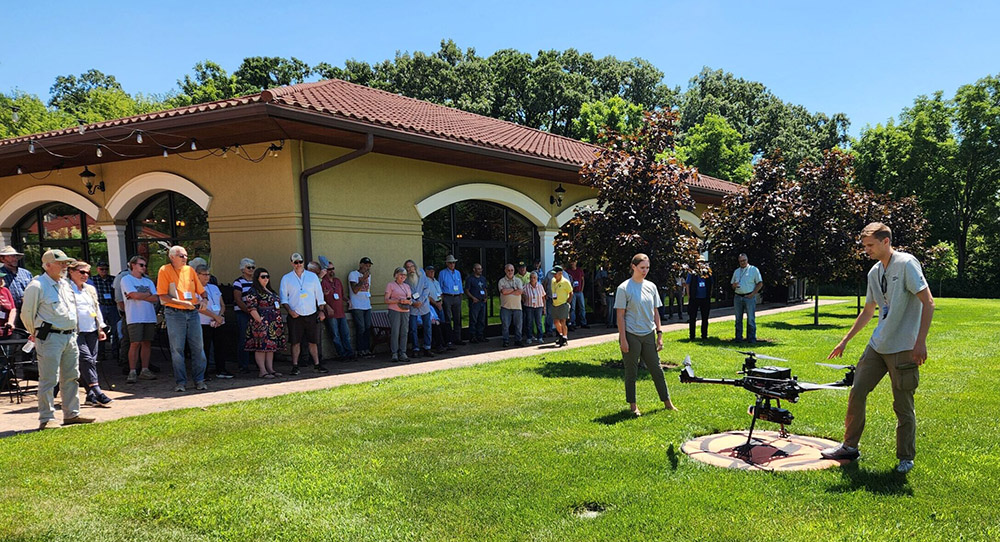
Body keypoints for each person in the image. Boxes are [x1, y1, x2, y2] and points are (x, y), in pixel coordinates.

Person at [821, 222, 935, 474]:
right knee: (857, 392)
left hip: (903, 347)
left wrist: (920, 342)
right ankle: (849, 446)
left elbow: (928, 302)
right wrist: (845, 340)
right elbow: (869, 310)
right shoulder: (874, 272)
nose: (866, 250)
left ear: (886, 242)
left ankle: (906, 457)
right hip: (878, 345)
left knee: (902, 405)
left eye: (870, 245)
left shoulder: (906, 264)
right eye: (864, 246)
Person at [20, 249, 94, 430]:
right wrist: (36, 333)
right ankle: (47, 418)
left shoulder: (66, 284)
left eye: (65, 263)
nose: (64, 266)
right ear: (47, 265)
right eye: (60, 263)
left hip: (69, 336)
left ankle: (71, 414)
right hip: (50, 337)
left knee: (71, 377)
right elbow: (26, 314)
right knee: (49, 379)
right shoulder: (37, 286)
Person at [615, 253, 678, 416]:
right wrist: (623, 339)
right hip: (631, 335)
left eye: (647, 268)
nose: (645, 271)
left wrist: (659, 334)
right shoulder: (624, 288)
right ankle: (633, 406)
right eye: (642, 268)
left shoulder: (651, 286)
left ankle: (668, 403)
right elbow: (620, 316)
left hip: (648, 333)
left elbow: (655, 312)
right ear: (633, 267)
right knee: (631, 372)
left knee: (657, 370)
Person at [157, 245, 209, 392]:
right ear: (172, 257)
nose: (185, 258)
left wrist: (204, 300)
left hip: (192, 313)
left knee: (198, 348)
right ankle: (181, 382)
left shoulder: (190, 270)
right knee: (177, 349)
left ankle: (199, 380)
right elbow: (162, 295)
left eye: (186, 255)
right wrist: (181, 302)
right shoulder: (164, 270)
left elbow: (202, 291)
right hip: (174, 313)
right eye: (181, 256)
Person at [67, 261, 112, 408]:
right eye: (81, 272)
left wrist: (100, 328)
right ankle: (98, 392)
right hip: (75, 331)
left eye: (87, 272)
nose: (85, 275)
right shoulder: (66, 288)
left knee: (91, 361)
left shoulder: (90, 289)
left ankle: (90, 395)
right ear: (71, 271)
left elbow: (95, 308)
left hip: (92, 329)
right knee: (86, 360)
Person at [279, 252, 328, 375]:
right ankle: (295, 366)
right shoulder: (286, 278)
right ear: (291, 263)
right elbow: (283, 298)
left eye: (300, 262)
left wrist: (321, 311)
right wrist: (290, 311)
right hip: (296, 315)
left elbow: (319, 296)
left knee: (313, 341)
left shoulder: (312, 277)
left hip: (311, 313)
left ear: (303, 262)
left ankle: (317, 364)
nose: (298, 264)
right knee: (295, 342)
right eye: (295, 262)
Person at [120, 255, 158, 383]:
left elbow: (156, 298)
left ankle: (145, 370)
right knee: (134, 343)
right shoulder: (126, 279)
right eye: (141, 265)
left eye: (145, 265)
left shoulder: (148, 281)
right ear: (133, 265)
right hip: (134, 317)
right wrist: (146, 295)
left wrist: (139, 296)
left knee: (147, 343)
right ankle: (132, 371)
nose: (144, 267)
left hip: (149, 316)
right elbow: (133, 294)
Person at [243, 267, 286, 378]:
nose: (266, 279)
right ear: (257, 278)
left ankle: (270, 369)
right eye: (263, 277)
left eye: (267, 276)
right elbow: (251, 307)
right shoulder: (253, 291)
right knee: (261, 347)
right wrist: (259, 320)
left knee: (270, 347)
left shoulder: (270, 290)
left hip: (273, 322)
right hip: (261, 323)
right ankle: (262, 370)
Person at [197, 264, 233, 380]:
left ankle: (221, 369)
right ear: (197, 275)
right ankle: (204, 372)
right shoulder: (195, 288)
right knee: (205, 348)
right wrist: (214, 316)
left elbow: (222, 304)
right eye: (204, 275)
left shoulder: (214, 288)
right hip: (204, 322)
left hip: (219, 321)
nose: (207, 277)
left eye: (208, 274)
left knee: (220, 347)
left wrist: (220, 316)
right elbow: (199, 307)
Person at [320, 258, 354, 360]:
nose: (331, 271)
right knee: (335, 335)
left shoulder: (337, 281)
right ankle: (342, 354)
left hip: (341, 312)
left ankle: (349, 353)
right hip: (330, 314)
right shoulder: (322, 282)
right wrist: (327, 306)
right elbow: (319, 297)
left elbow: (342, 295)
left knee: (346, 334)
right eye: (329, 269)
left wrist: (348, 301)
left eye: (333, 269)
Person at [88, 261, 118, 360]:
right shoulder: (93, 280)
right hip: (101, 306)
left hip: (112, 306)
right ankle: (101, 353)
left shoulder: (113, 279)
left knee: (115, 330)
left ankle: (116, 352)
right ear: (97, 269)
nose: (104, 271)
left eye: (106, 269)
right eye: (102, 269)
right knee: (100, 330)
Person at [731, 253, 763, 343]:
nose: (743, 262)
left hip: (749, 297)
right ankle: (738, 338)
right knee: (738, 319)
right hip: (738, 297)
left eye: (744, 260)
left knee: (751, 319)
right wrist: (734, 285)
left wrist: (753, 294)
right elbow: (732, 285)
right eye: (741, 261)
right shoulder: (736, 271)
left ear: (747, 260)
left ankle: (751, 338)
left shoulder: (753, 270)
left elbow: (760, 283)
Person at [405, 260, 434, 358]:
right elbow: (405, 292)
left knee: (428, 327)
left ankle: (427, 347)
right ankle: (415, 348)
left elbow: (426, 288)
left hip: (424, 304)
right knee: (413, 328)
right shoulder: (405, 279)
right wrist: (413, 302)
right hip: (413, 306)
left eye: (411, 266)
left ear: (415, 266)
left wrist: (420, 301)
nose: (410, 269)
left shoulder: (422, 275)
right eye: (408, 267)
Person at [231, 258, 256, 373]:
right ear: (242, 269)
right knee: (244, 337)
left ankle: (256, 363)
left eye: (252, 267)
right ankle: (243, 364)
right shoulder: (238, 282)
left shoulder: (256, 281)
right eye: (248, 267)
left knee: (256, 337)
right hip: (243, 313)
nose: (251, 269)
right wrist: (248, 310)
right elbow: (238, 299)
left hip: (255, 313)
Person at [348, 257, 375, 358]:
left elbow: (367, 290)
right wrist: (363, 279)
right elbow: (355, 290)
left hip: (366, 304)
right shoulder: (353, 274)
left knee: (367, 327)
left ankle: (366, 349)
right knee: (361, 328)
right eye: (365, 265)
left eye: (369, 266)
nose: (367, 268)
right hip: (357, 305)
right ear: (360, 265)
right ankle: (360, 350)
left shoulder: (369, 276)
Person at [384, 266, 412, 362]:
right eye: (401, 274)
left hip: (405, 311)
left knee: (404, 332)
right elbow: (386, 300)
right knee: (395, 332)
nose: (403, 276)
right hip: (394, 310)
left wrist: (408, 302)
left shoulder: (407, 286)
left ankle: (403, 352)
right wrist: (398, 300)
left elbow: (410, 299)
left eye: (404, 275)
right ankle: (394, 353)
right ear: (396, 275)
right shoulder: (390, 285)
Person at [439, 254, 465, 347]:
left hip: (457, 297)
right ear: (447, 264)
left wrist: (460, 295)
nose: (452, 264)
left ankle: (458, 338)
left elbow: (460, 285)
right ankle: (449, 340)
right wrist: (441, 298)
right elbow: (440, 286)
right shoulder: (442, 273)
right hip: (447, 296)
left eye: (453, 263)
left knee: (457, 319)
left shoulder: (458, 273)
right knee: (448, 318)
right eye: (450, 263)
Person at [0, 245, 34, 312]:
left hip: (28, 310)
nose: (15, 259)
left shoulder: (26, 273)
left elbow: (33, 290)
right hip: (8, 313)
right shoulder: (0, 274)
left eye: (15, 256)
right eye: (11, 256)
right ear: (2, 259)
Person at [498, 263, 524, 347]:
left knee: (518, 325)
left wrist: (508, 290)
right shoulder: (501, 281)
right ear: (505, 271)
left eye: (512, 270)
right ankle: (506, 341)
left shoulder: (518, 280)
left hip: (517, 307)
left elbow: (520, 292)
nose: (510, 272)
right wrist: (513, 289)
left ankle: (518, 340)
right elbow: (503, 292)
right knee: (505, 325)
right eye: (508, 270)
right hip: (506, 307)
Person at [424, 265, 448, 354]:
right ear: (426, 272)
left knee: (442, 323)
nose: (431, 272)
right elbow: (427, 295)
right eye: (429, 271)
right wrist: (435, 303)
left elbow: (440, 293)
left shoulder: (436, 282)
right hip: (431, 306)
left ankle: (444, 343)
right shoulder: (425, 282)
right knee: (434, 325)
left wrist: (440, 302)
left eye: (433, 271)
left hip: (439, 304)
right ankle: (436, 345)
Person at [686, 265, 714, 341]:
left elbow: (711, 284)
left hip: (705, 298)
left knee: (705, 318)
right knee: (692, 318)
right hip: (694, 298)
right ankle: (692, 336)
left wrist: (709, 295)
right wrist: (689, 296)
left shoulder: (708, 272)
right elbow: (687, 284)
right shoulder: (692, 272)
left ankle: (704, 335)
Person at [550, 265, 573, 347]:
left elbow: (571, 293)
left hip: (563, 304)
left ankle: (564, 337)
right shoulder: (553, 281)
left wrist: (567, 302)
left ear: (560, 273)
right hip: (555, 304)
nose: (554, 275)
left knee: (563, 322)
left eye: (555, 274)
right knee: (556, 322)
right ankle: (560, 335)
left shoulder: (566, 282)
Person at [465, 263, 488, 343]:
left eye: (481, 269)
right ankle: (472, 337)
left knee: (481, 320)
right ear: (474, 270)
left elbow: (485, 288)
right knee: (473, 320)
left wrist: (486, 297)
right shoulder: (470, 279)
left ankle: (480, 336)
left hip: (482, 302)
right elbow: (467, 290)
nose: (480, 270)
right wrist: (472, 298)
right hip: (475, 302)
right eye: (478, 269)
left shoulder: (483, 279)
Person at [523, 271, 546, 344]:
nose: (532, 279)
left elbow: (543, 297)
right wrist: (524, 300)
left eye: (534, 278)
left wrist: (544, 307)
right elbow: (521, 294)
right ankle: (529, 337)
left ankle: (540, 337)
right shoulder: (526, 286)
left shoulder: (540, 286)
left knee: (539, 322)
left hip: (538, 306)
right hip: (529, 306)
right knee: (529, 322)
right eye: (531, 278)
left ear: (537, 278)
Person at [567, 260, 588, 329]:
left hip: (579, 291)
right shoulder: (568, 271)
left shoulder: (580, 270)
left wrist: (582, 289)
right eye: (571, 262)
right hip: (572, 292)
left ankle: (583, 323)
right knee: (572, 308)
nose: (572, 263)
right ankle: (573, 323)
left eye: (573, 262)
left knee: (582, 307)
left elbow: (583, 280)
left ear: (576, 262)